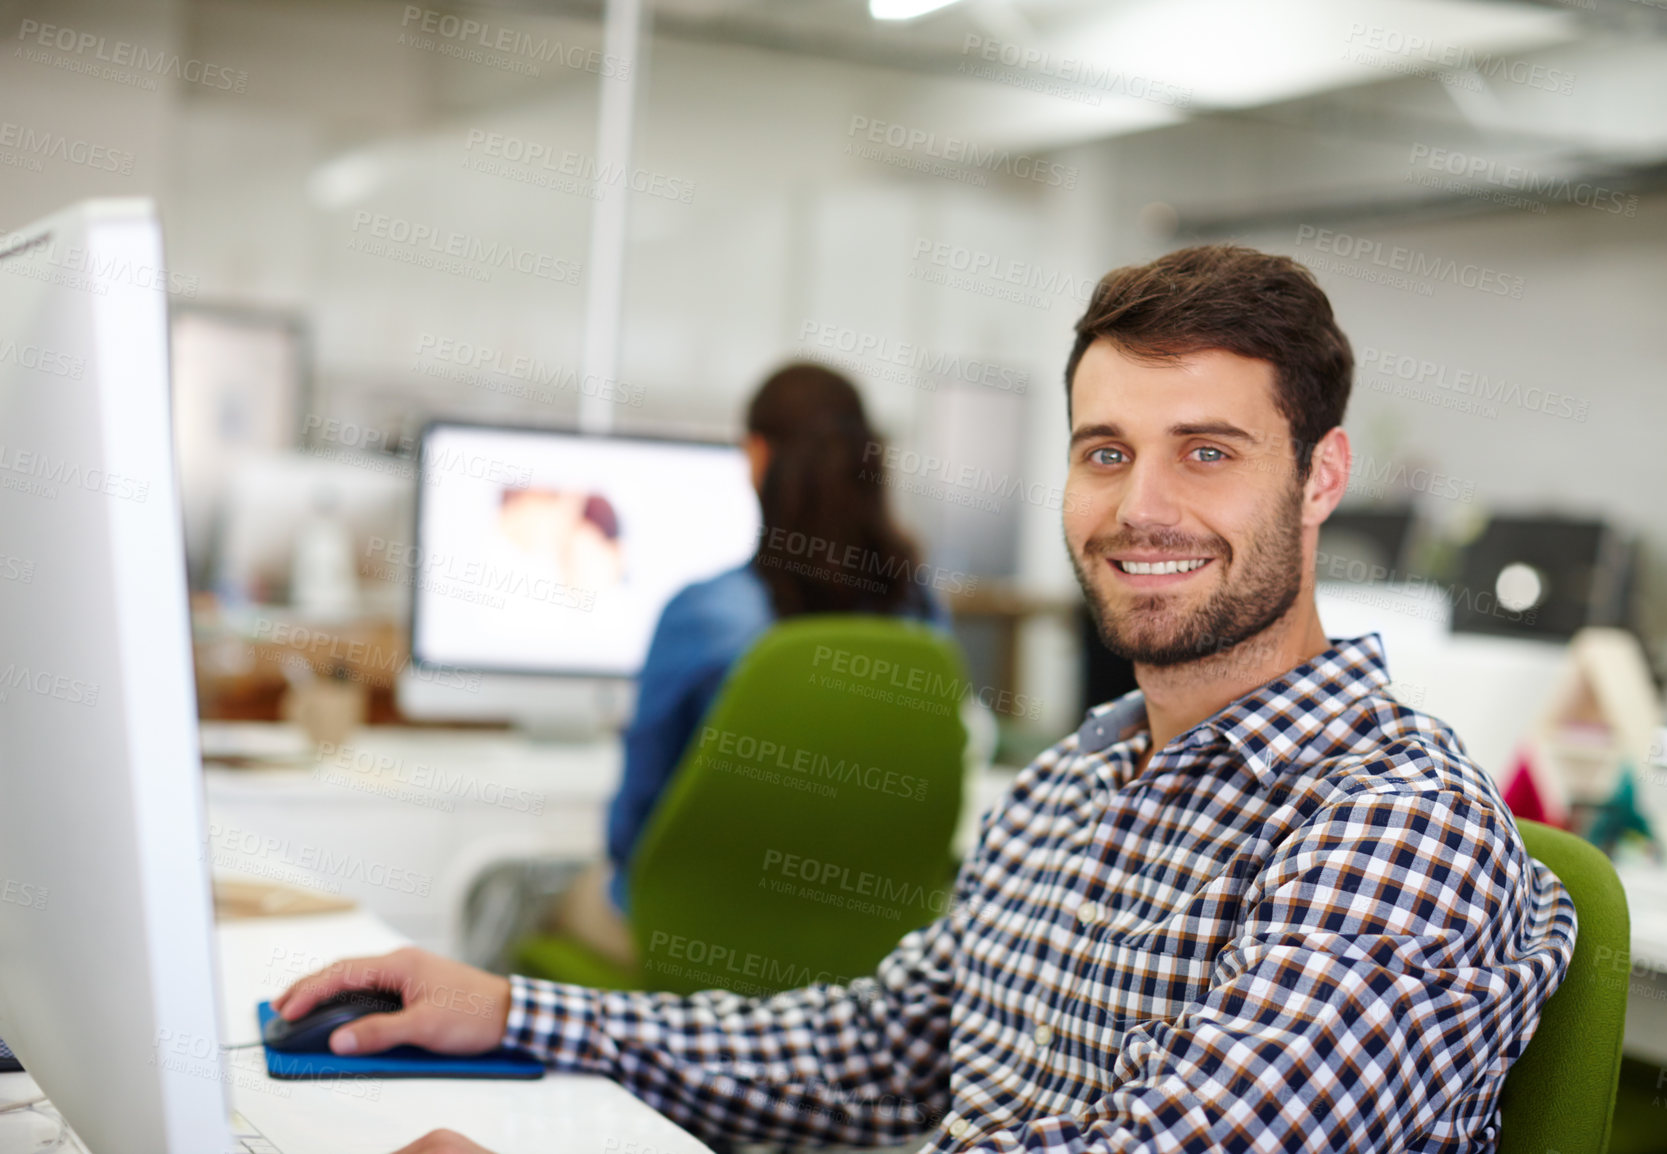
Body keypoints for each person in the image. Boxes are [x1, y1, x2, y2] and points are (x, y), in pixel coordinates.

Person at [274, 245, 1576, 1154]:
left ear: (1321, 475)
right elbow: (868, 1049)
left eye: (1211, 452)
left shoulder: (1394, 823)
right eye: (1105, 451)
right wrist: (508, 1010)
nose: (1143, 507)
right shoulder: (1072, 783)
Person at [552, 362, 948, 967]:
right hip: (864, 953)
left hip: (691, 941)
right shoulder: (921, 615)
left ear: (755, 457)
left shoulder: (703, 614)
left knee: (533, 899)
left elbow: (632, 833)